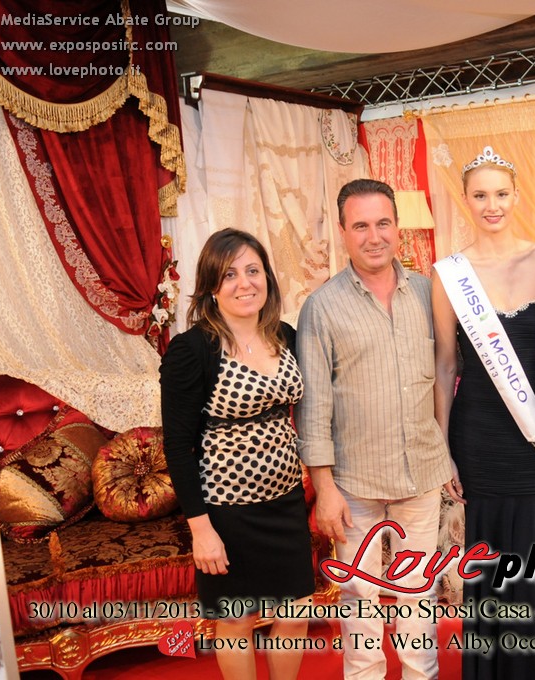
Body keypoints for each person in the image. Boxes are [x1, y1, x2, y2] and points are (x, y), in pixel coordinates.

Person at [433, 146, 535, 679]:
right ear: (465, 200)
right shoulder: (450, 274)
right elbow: (445, 363)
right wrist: (444, 449)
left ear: (517, 196)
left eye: (501, 194)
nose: (491, 205)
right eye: (480, 195)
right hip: (479, 438)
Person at [296, 179, 450, 680]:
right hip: (353, 483)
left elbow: (448, 374)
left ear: (398, 228)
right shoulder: (321, 308)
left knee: (418, 593)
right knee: (360, 595)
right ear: (343, 232)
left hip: (421, 472)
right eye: (360, 225)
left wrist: (448, 453)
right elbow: (313, 406)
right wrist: (324, 489)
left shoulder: (428, 294)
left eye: (383, 223)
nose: (374, 236)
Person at [160, 228, 314, 680]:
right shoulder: (192, 350)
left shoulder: (285, 335)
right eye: (229, 274)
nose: (245, 283)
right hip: (226, 511)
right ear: (212, 286)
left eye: (253, 270)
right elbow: (177, 446)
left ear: (267, 277)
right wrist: (201, 530)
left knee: (296, 613)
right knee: (236, 621)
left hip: (286, 502)